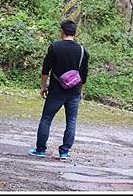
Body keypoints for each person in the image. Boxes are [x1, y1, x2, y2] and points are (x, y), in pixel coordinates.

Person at [29, 20, 89, 160]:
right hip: (74, 91)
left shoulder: (55, 47)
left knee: (46, 119)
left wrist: (43, 87)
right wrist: (80, 92)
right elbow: (84, 74)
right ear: (75, 33)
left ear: (62, 31)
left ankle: (41, 149)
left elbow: (46, 69)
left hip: (56, 91)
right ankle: (64, 151)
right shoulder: (82, 50)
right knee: (71, 121)